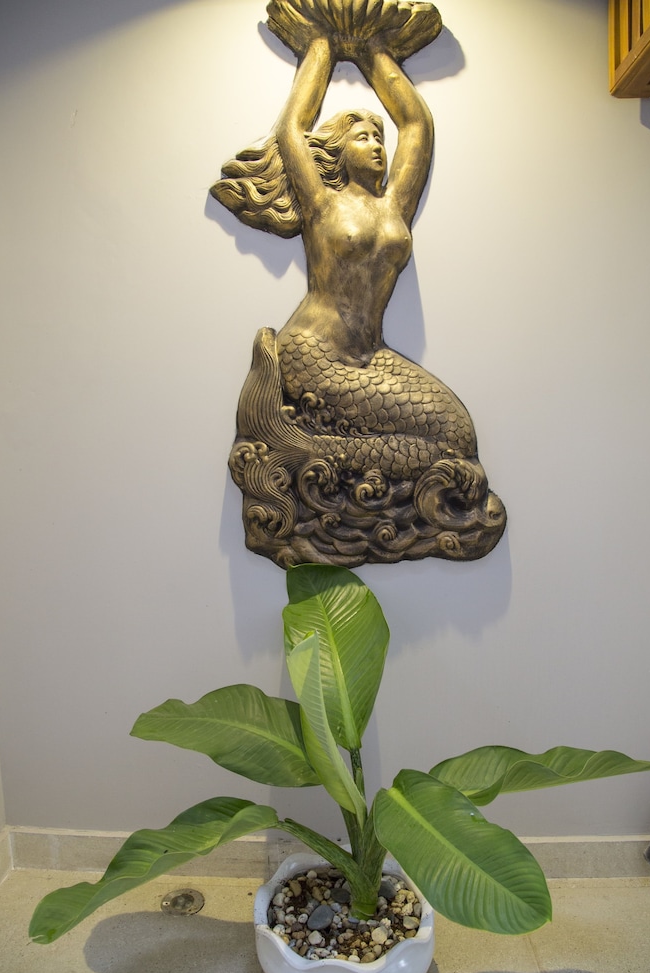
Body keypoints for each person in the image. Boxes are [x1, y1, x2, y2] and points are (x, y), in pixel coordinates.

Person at [213, 0, 505, 565]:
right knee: (445, 447)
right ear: (337, 151)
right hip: (315, 352)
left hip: (370, 357)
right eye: (364, 136)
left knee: (457, 437)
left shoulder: (395, 206)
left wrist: (375, 51)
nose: (378, 144)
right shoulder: (321, 203)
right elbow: (293, 128)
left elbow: (417, 124)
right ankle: (307, 456)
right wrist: (321, 44)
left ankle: (312, 449)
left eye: (379, 137)